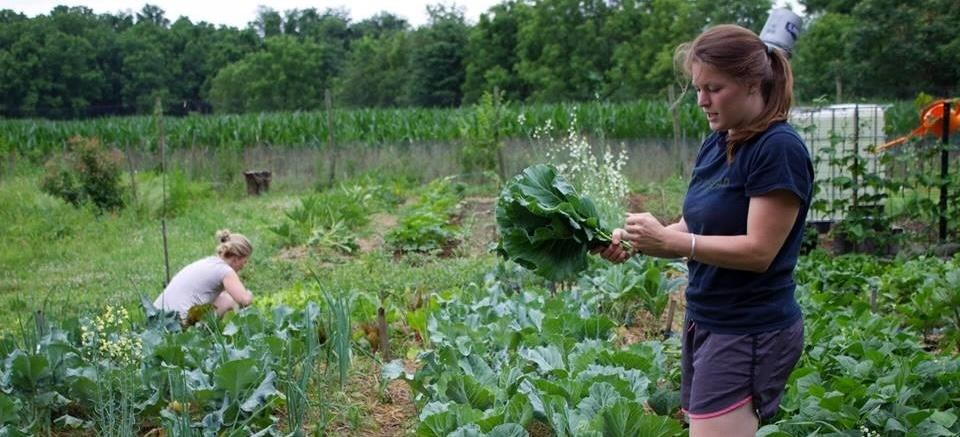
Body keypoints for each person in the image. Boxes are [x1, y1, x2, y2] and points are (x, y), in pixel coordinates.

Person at [597, 24, 813, 436]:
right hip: (708, 319)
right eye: (697, 88)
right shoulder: (719, 140)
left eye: (713, 88)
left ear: (752, 83)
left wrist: (675, 241)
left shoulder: (777, 148)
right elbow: (694, 227)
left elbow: (759, 251)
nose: (701, 101)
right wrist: (643, 241)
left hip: (747, 328)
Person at [154, 229, 254, 321]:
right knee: (229, 300)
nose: (244, 266)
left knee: (222, 297)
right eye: (244, 262)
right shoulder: (225, 270)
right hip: (177, 323)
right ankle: (224, 335)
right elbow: (244, 300)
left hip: (157, 316)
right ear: (236, 258)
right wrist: (248, 295)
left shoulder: (209, 262)